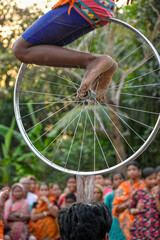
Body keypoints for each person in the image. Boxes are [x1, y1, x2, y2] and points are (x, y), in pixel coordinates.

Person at [12, 0, 133, 102]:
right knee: (43, 47)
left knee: (20, 49)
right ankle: (100, 64)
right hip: (100, 9)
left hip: (82, 6)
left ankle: (95, 61)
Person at [112, 161, 145, 240]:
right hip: (125, 220)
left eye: (134, 169)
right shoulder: (123, 186)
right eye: (129, 170)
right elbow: (115, 208)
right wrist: (128, 204)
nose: (132, 172)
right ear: (127, 173)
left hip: (142, 219)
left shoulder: (144, 185)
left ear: (139, 171)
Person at [129, 167, 160, 240]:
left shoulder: (158, 193)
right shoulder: (139, 193)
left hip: (155, 230)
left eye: (154, 178)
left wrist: (155, 197)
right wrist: (137, 210)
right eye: (150, 179)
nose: (153, 181)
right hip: (140, 230)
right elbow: (130, 209)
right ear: (143, 180)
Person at [105, 171, 126, 240]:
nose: (119, 181)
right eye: (116, 179)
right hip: (114, 224)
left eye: (120, 178)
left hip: (128, 222)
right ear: (112, 182)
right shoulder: (109, 196)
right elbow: (106, 213)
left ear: (124, 179)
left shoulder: (130, 192)